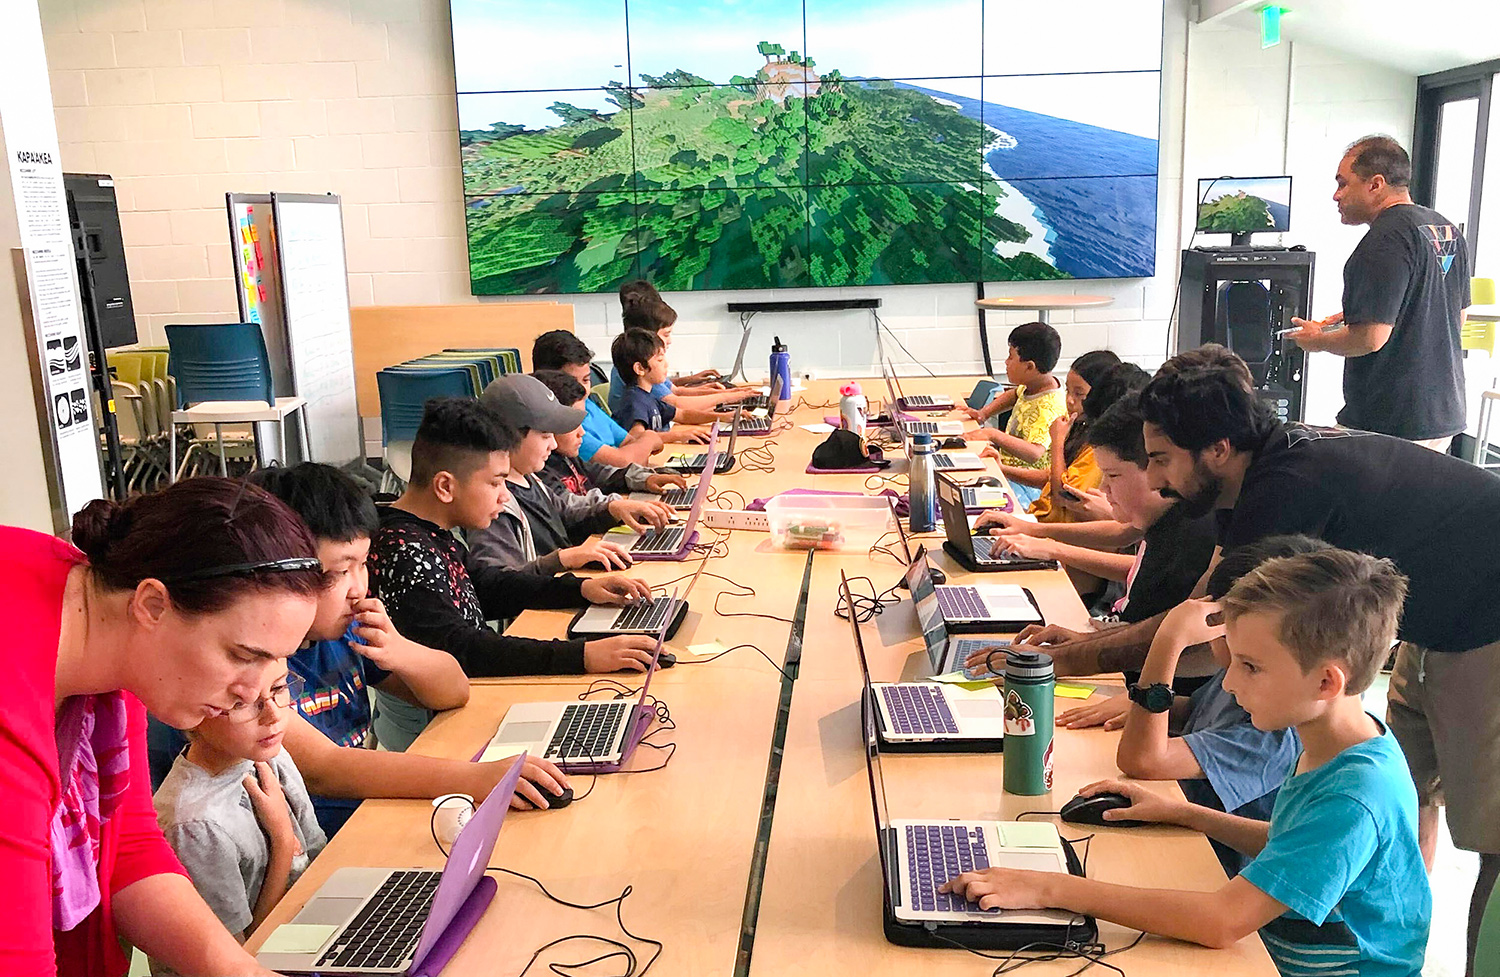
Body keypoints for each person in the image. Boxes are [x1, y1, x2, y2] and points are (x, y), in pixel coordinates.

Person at [1031, 347, 1500, 970]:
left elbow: (1203, 619)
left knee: (1489, 833)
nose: (1159, 479)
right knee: (1391, 814)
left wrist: (1049, 888)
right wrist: (1177, 806)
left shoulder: (1288, 488)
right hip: (1438, 619)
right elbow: (1207, 602)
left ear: (1217, 449)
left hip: (1487, 619)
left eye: (1164, 459)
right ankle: (1365, 918)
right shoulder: (1259, 478)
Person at [943, 548, 1430, 975]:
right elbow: (1294, 842)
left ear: (1326, 683)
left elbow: (1220, 922)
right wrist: (1181, 812)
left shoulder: (1353, 795)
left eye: (1251, 667)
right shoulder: (1337, 742)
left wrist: (1051, 889)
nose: (1232, 684)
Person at [3, 477, 329, 976]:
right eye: (242, 656)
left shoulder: (107, 626)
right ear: (152, 604)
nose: (252, 691)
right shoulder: (17, 691)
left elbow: (126, 844)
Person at [368, 397, 660, 749]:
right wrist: (583, 655)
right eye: (495, 483)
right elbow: (465, 650)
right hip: (431, 735)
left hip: (464, 699)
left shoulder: (429, 530)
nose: (505, 497)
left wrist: (582, 591)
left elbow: (486, 587)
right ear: (445, 486)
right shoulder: (404, 551)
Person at [974, 391, 1217, 698]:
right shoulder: (1167, 524)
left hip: (1146, 697)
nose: (1104, 488)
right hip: (1123, 675)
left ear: (1160, 467)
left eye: (1113, 475)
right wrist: (1082, 641)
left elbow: (1170, 643)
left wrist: (1063, 656)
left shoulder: (1192, 535)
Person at [1111, 536, 1316, 875]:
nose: (1230, 681)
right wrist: (1149, 703)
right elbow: (1201, 713)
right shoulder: (1252, 679)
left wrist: (1169, 640)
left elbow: (1143, 761)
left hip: (1212, 869)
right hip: (1181, 833)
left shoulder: (1274, 729)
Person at [1285, 135, 1470, 450]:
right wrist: (1367, 310)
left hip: (1392, 422)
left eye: (1343, 184)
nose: (1336, 195)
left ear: (1375, 184)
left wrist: (1315, 341)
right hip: (1443, 414)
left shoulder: (1383, 240)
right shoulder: (1446, 230)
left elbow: (1369, 339)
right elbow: (1455, 315)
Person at [153, 663, 326, 944]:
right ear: (192, 713)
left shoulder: (269, 752)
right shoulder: (195, 824)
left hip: (305, 932)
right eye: (242, 703)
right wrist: (282, 839)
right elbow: (244, 953)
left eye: (279, 689)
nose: (273, 716)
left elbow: (318, 864)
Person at [466, 372, 674, 574]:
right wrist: (563, 560)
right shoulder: (493, 505)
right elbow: (499, 583)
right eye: (546, 435)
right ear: (508, 436)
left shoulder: (529, 477)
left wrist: (614, 509)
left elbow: (565, 512)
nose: (554, 444)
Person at [531, 369, 687, 501]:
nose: (582, 432)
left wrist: (647, 479)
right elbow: (570, 508)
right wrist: (617, 506)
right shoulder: (541, 468)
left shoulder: (569, 456)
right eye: (573, 424)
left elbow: (604, 474)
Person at [961, 322, 1068, 507]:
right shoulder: (1033, 386)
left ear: (1029, 367)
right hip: (1007, 471)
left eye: (1011, 357)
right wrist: (983, 414)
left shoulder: (1050, 407)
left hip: (1027, 487)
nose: (1006, 362)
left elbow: (1034, 453)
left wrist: (993, 434)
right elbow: (1013, 395)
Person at [531, 329, 667, 468]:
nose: (582, 390)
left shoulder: (588, 404)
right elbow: (624, 462)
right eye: (571, 382)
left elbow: (631, 443)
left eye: (586, 380)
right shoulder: (564, 425)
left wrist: (638, 449)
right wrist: (649, 438)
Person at [1026, 350, 1122, 524]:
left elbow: (1064, 494)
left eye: (1079, 394)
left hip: (1056, 531)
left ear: (1099, 396)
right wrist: (1003, 469)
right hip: (1040, 519)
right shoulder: (1081, 427)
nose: (1069, 400)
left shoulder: (1099, 446)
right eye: (1068, 391)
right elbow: (1053, 476)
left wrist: (1057, 442)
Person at [612, 329, 715, 441]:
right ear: (640, 368)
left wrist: (722, 417)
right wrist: (680, 435)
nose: (666, 364)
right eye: (660, 360)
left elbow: (683, 415)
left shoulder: (648, 396)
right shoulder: (634, 400)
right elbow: (636, 436)